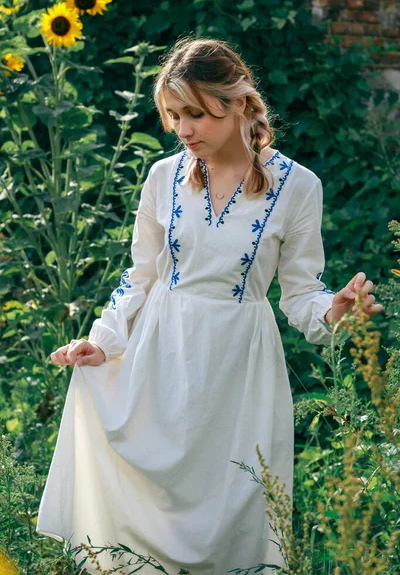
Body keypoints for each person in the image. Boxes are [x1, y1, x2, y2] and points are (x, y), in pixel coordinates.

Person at [36, 37, 384, 574]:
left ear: (241, 102)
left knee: (232, 510)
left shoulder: (299, 188)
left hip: (238, 371)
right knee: (148, 517)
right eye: (174, 115)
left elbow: (299, 294)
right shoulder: (163, 177)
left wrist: (333, 310)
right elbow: (142, 275)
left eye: (195, 113)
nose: (183, 130)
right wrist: (102, 341)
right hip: (160, 358)